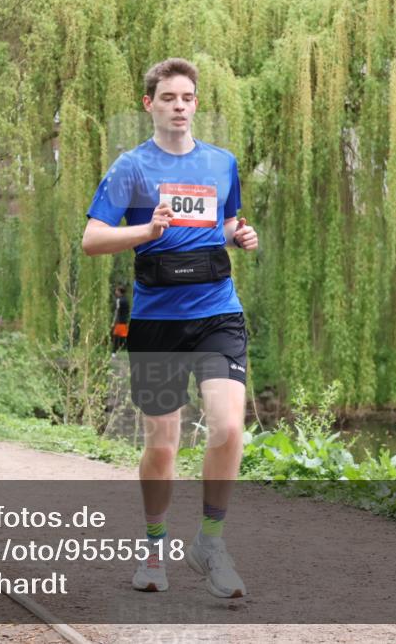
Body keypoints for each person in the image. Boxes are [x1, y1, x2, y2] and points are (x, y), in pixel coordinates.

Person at [81, 58, 259, 599]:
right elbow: (92, 239)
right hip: (157, 321)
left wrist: (240, 234)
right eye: (168, 98)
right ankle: (154, 548)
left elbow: (223, 220)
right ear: (149, 105)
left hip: (217, 313)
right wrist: (146, 228)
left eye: (187, 98)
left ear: (195, 104)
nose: (178, 106)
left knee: (228, 427)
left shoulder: (222, 163)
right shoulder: (130, 168)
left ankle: (210, 541)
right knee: (163, 445)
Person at [111, 284, 130, 354]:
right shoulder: (126, 300)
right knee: (123, 337)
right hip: (124, 321)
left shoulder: (119, 300)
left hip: (119, 321)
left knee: (116, 337)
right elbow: (127, 311)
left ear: (119, 291)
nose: (115, 292)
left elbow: (117, 311)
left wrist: (113, 322)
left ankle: (114, 352)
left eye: (116, 290)